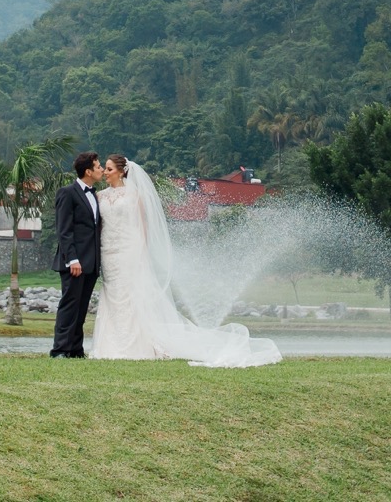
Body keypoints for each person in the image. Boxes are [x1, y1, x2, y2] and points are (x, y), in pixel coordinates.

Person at [91, 153, 281, 368]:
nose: (105, 173)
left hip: (130, 250)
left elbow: (143, 225)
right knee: (113, 295)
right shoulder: (101, 197)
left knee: (132, 295)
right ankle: (109, 344)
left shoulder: (135, 195)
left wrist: (141, 252)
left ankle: (136, 344)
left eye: (109, 169)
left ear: (122, 171)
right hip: (108, 251)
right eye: (104, 169)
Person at [50, 150, 104, 358]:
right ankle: (60, 349)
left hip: (91, 262)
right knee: (69, 305)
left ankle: (75, 349)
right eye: (98, 167)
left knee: (82, 308)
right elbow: (64, 230)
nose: (101, 170)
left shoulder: (95, 196)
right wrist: (72, 259)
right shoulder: (67, 192)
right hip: (73, 261)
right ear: (88, 171)